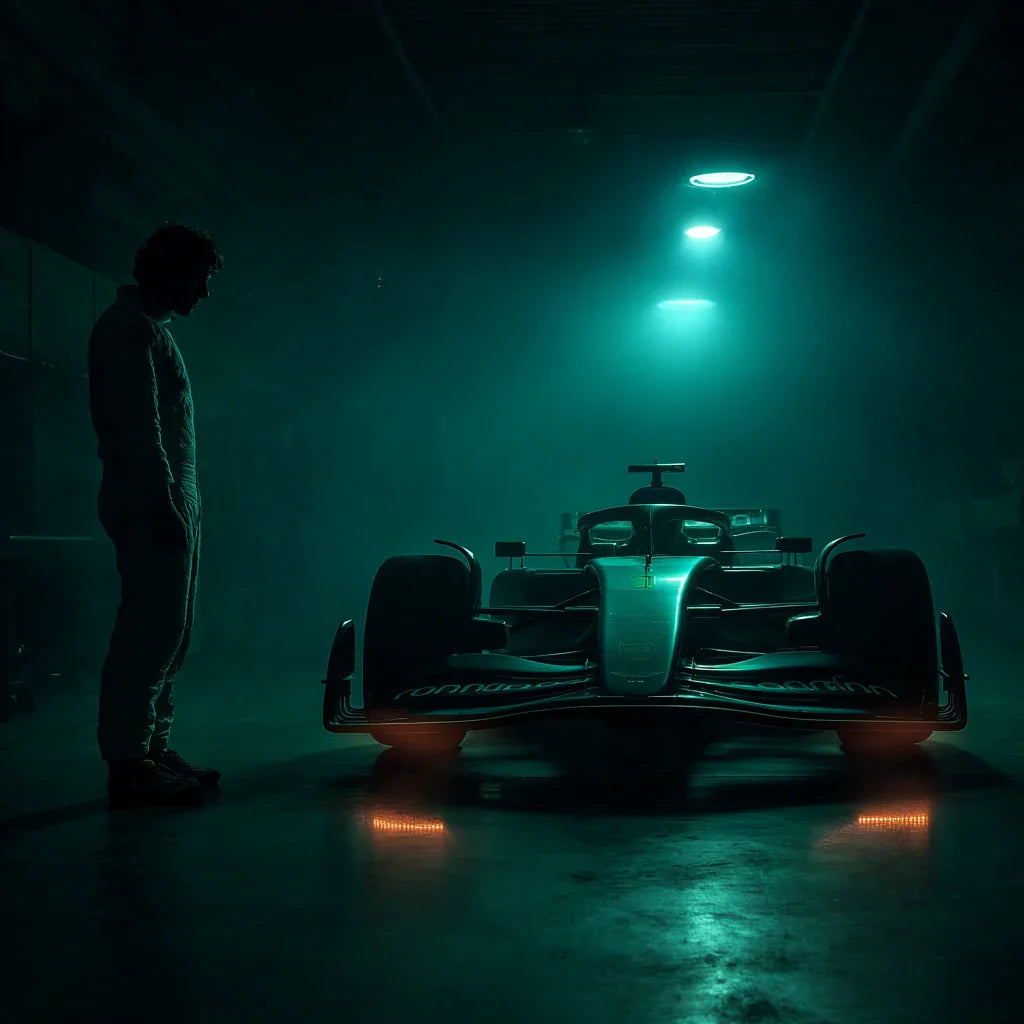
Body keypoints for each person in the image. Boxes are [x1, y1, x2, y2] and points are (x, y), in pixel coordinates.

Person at [88, 223, 224, 807]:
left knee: (169, 630)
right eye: (198, 279)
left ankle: (149, 748)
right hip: (154, 503)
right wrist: (164, 500)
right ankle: (130, 760)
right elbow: (137, 427)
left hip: (166, 503)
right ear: (170, 272)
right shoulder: (129, 332)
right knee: (150, 630)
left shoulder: (147, 331)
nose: (203, 293)